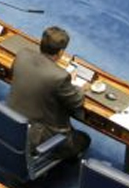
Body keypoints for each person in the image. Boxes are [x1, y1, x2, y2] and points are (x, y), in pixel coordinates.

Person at [7, 26, 91, 162]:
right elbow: (76, 102)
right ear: (61, 52)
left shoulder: (22, 54)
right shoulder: (60, 76)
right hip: (37, 136)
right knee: (83, 139)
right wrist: (81, 88)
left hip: (12, 120)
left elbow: (14, 74)